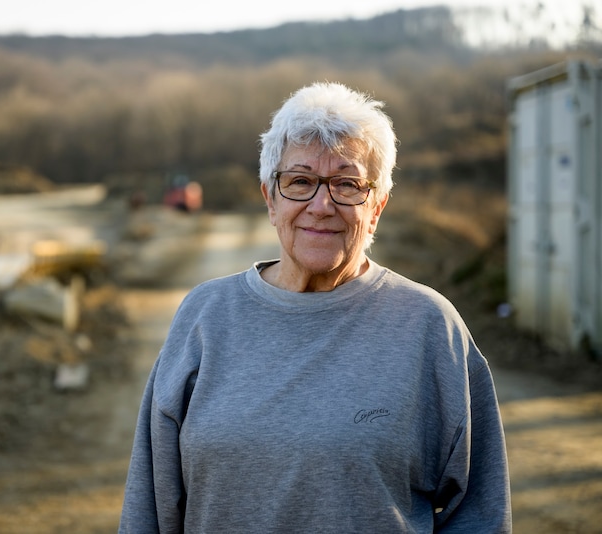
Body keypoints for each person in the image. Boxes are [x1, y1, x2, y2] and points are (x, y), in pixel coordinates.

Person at [119, 82, 512, 533]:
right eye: (300, 181)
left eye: (347, 184)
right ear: (270, 198)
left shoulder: (429, 326)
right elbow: (149, 506)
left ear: (377, 206)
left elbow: (481, 514)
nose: (321, 205)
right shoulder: (205, 316)